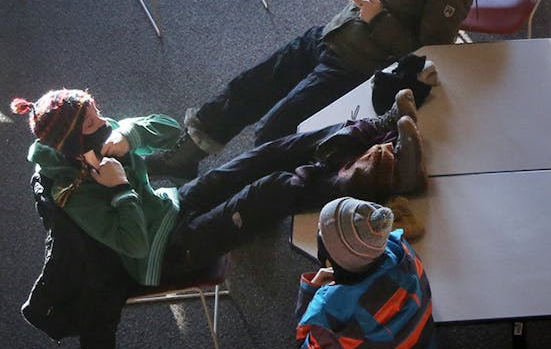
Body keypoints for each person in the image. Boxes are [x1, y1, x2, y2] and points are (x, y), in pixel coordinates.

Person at [149, 0, 509, 179]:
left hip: (357, 67)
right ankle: (183, 158)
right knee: (248, 87)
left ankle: (246, 193)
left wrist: (378, 17)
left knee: (275, 130)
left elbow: (428, 52)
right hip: (331, 34)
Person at [13, 87, 425, 291]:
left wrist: (129, 135)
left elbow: (171, 129)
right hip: (168, 252)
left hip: (170, 206)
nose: (101, 119)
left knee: (264, 155)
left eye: (97, 111)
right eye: (91, 120)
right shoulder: (72, 192)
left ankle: (374, 129)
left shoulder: (97, 131)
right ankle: (385, 173)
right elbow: (134, 245)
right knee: (274, 188)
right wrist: (119, 190)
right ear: (72, 144)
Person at [221, 197, 437, 349]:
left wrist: (311, 294)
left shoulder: (333, 314)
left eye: (321, 232)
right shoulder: (403, 252)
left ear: (329, 252)